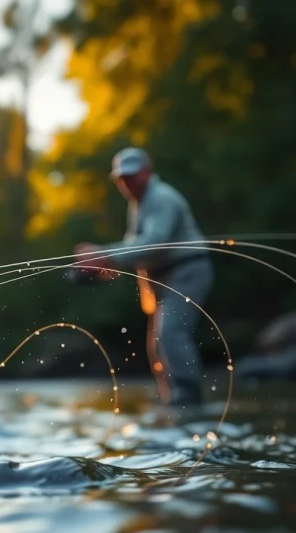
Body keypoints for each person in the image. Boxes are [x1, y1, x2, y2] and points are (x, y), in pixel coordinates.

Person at [74, 147, 213, 406]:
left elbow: (152, 243)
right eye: (121, 179)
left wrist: (104, 253)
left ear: (147, 172)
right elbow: (136, 246)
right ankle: (172, 400)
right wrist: (107, 264)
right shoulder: (138, 203)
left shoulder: (161, 198)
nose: (127, 183)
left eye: (132, 176)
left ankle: (189, 400)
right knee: (158, 344)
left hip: (188, 270)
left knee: (170, 333)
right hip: (164, 277)